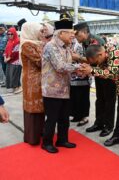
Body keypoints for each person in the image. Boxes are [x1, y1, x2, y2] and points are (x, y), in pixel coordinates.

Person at [41, 19, 79, 153]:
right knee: (51, 118)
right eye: (70, 33)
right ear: (61, 33)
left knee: (64, 117)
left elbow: (68, 66)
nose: (72, 35)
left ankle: (62, 140)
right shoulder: (51, 46)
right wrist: (79, 67)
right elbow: (60, 66)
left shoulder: (66, 46)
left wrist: (77, 70)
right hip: (52, 89)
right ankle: (47, 143)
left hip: (65, 88)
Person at [74, 22, 116, 137]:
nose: (75, 37)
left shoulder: (95, 41)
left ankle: (108, 126)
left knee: (109, 101)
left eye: (77, 34)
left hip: (108, 74)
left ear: (83, 32)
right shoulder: (85, 42)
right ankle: (99, 123)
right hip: (98, 73)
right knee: (100, 99)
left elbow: (95, 59)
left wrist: (78, 58)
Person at [20, 22, 46, 145]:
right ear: (32, 31)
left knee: (40, 108)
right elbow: (41, 61)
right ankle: (32, 138)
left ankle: (40, 132)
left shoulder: (38, 44)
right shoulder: (27, 45)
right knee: (32, 109)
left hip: (40, 80)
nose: (42, 34)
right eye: (40, 31)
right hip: (32, 82)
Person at [4, 27, 22, 94]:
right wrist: (5, 57)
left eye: (11, 34)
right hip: (9, 60)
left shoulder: (17, 41)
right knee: (9, 74)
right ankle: (11, 87)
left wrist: (8, 58)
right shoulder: (9, 41)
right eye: (8, 34)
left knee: (15, 75)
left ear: (14, 33)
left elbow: (16, 52)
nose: (10, 35)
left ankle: (16, 87)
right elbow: (6, 50)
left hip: (16, 61)